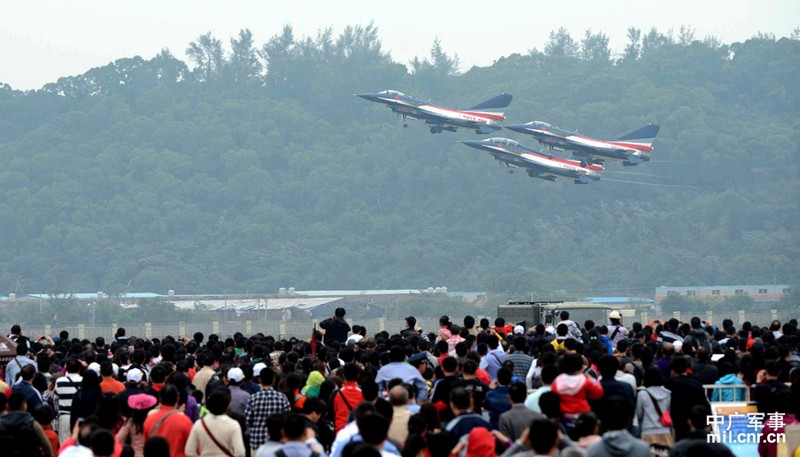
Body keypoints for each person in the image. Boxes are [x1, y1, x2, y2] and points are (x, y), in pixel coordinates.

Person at [185, 389, 246, 457]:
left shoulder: (199, 424)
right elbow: (240, 452)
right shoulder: (233, 425)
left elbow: (189, 451)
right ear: (227, 406)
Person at [245, 367, 292, 454]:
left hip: (257, 441)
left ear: (260, 380)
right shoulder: (282, 398)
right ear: (273, 380)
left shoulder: (253, 398)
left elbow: (247, 420)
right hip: (277, 444)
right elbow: (288, 419)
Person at [665, 356, 708, 441]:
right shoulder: (696, 383)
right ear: (686, 368)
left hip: (678, 421)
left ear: (673, 370)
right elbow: (704, 403)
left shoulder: (670, 384)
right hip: (695, 420)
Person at [143, 385, 194, 457]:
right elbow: (192, 448)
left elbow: (146, 445)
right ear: (177, 399)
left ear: (160, 399)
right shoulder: (185, 421)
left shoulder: (149, 419)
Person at [0, 392, 53, 457]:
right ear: (23, 406)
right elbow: (47, 447)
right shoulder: (33, 423)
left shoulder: (2, 423)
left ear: (8, 406)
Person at [635, 367, 672, 447]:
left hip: (648, 430)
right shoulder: (668, 393)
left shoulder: (642, 394)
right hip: (665, 430)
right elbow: (669, 411)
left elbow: (639, 413)